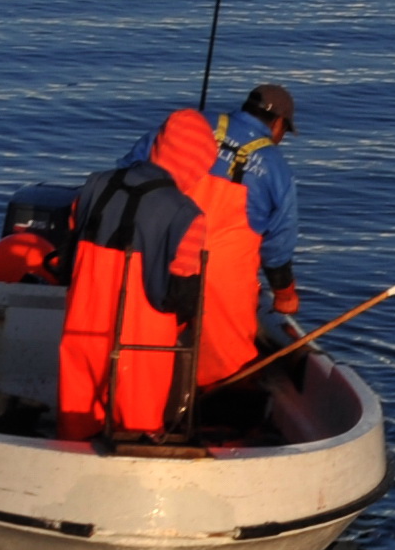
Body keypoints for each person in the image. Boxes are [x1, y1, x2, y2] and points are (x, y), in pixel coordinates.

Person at [57, 107, 261, 440]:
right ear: (197, 162)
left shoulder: (94, 185)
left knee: (75, 427)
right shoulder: (188, 215)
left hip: (82, 328)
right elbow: (182, 296)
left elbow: (66, 262)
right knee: (139, 434)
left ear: (159, 145)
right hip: (143, 344)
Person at [123, 81, 303, 319]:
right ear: (278, 123)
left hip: (155, 260)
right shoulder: (276, 167)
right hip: (222, 285)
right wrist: (285, 295)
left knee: (146, 329)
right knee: (226, 342)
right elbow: (278, 244)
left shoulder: (186, 126)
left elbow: (128, 171)